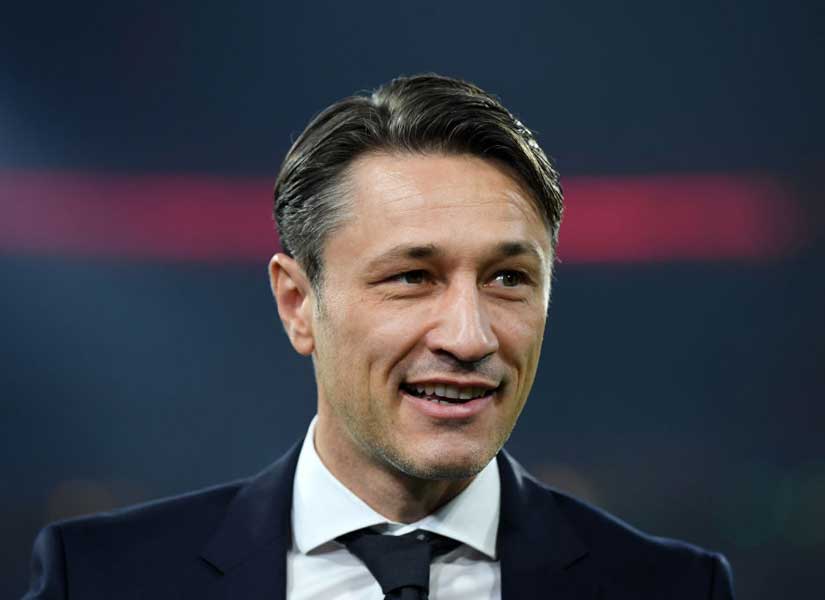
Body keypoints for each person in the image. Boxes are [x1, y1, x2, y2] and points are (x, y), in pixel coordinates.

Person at [24, 74, 734, 599]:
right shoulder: (99, 579)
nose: (469, 337)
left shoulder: (673, 588)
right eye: (412, 277)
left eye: (508, 278)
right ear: (298, 303)